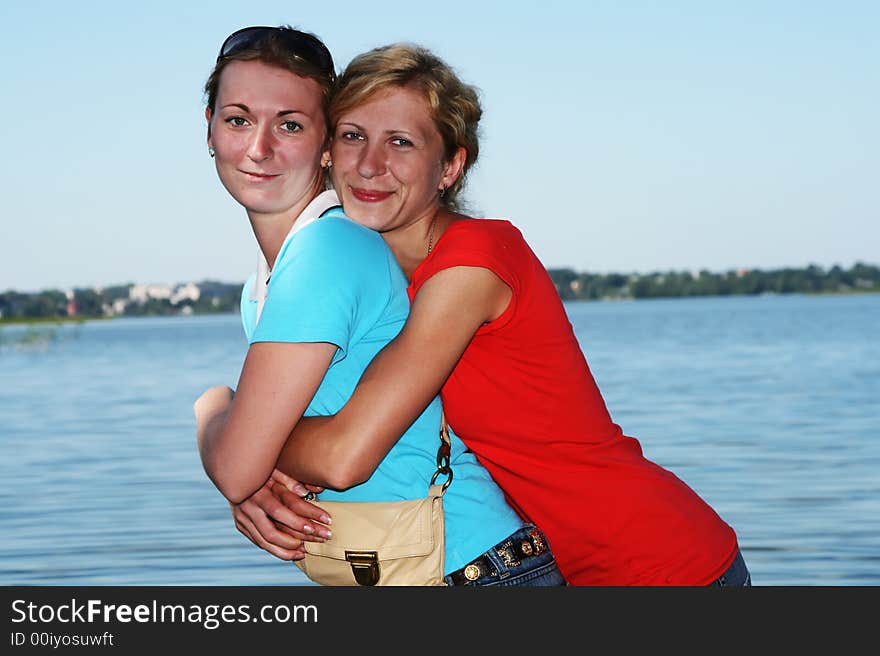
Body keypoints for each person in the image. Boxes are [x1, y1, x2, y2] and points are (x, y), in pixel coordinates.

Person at [237, 42, 751, 586]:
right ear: (326, 149)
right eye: (353, 135)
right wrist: (249, 468)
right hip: (546, 568)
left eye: (401, 142)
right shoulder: (361, 280)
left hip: (658, 562)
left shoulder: (474, 262)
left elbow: (344, 454)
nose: (370, 164)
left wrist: (246, 451)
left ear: (450, 167)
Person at [193, 25, 565, 587]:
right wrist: (250, 468)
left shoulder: (330, 249)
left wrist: (211, 409)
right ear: (210, 130)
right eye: (238, 119)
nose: (258, 148)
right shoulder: (265, 283)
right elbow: (248, 465)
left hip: (471, 570)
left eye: (289, 125)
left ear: (324, 146)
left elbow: (243, 462)